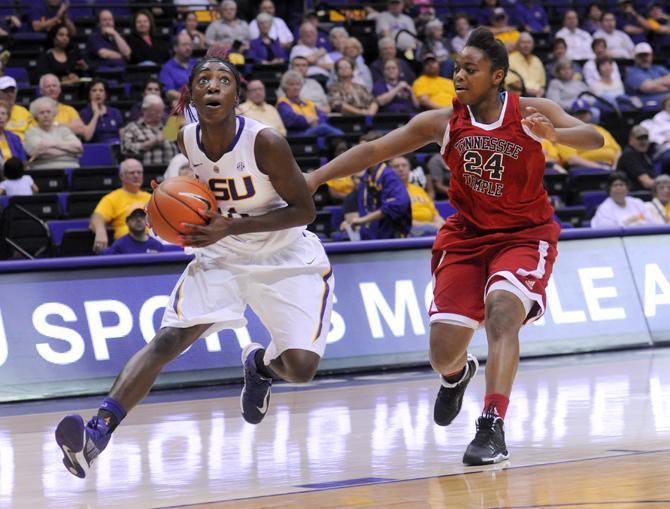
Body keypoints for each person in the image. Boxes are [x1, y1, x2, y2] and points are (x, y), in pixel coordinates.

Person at [305, 27, 604, 465]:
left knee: (503, 313)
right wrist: (314, 178)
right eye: (456, 69)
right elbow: (373, 150)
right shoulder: (441, 122)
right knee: (442, 352)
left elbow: (595, 138)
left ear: (498, 75)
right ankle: (457, 374)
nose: (459, 77)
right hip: (466, 237)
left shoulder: (531, 111)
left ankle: (492, 425)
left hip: (524, 235)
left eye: (470, 69)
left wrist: (554, 137)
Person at [55, 49, 335, 479]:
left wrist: (230, 228)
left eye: (223, 81)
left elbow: (304, 211)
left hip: (285, 255)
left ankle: (259, 366)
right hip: (221, 254)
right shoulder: (185, 137)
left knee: (301, 369)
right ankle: (96, 434)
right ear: (192, 94)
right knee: (168, 340)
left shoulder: (266, 142)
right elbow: (181, 167)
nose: (213, 87)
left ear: (236, 94)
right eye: (204, 81)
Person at [89, 159, 151, 253]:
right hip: (126, 248)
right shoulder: (112, 198)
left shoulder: (151, 198)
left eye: (139, 172)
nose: (136, 176)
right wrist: (100, 231)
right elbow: (97, 217)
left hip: (152, 245)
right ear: (121, 176)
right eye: (132, 173)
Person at [555, 98, 621, 170]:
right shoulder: (566, 133)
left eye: (584, 113)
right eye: (578, 113)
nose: (582, 116)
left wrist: (615, 166)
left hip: (610, 166)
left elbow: (618, 151)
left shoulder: (601, 130)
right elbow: (571, 159)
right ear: (572, 116)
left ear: (590, 114)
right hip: (585, 170)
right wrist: (600, 167)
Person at [277, 70, 343, 136]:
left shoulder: (307, 102)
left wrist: (315, 120)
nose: (296, 87)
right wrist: (308, 120)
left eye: (298, 84)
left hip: (314, 130)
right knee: (324, 128)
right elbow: (292, 121)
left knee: (324, 128)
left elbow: (323, 116)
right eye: (292, 85)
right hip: (297, 135)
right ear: (285, 87)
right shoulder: (283, 103)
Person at [391, 155, 444, 236]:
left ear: (409, 169)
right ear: (390, 171)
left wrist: (443, 225)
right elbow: (402, 222)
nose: (401, 169)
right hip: (409, 230)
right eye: (396, 166)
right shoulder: (391, 192)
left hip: (431, 227)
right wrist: (431, 225)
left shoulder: (419, 189)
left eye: (404, 165)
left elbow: (435, 214)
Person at [24, 97, 83, 170]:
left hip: (72, 168)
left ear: (54, 114)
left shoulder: (63, 130)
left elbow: (78, 147)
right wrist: (70, 152)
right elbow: (43, 153)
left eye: (48, 112)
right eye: (41, 112)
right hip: (46, 171)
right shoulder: (31, 132)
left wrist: (52, 144)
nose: (46, 115)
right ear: (36, 117)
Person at [121, 94, 177, 166]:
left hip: (171, 170)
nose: (159, 115)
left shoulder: (167, 127)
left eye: (161, 111)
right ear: (144, 110)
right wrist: (153, 142)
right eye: (156, 111)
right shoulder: (132, 128)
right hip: (146, 172)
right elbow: (126, 149)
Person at [79, 79, 123, 144]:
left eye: (101, 90)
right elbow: (87, 137)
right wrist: (96, 114)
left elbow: (123, 135)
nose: (98, 93)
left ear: (105, 94)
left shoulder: (115, 112)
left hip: (115, 148)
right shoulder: (84, 113)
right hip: (96, 149)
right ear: (89, 94)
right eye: (94, 90)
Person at [159, 32, 197, 103]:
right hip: (181, 104)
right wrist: (189, 99)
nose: (188, 48)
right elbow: (169, 92)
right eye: (184, 45)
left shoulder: (197, 64)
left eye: (190, 45)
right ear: (175, 48)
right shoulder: (167, 68)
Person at [615, 125, 655, 191]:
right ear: (631, 140)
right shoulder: (629, 155)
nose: (643, 142)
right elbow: (647, 183)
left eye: (645, 138)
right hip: (632, 196)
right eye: (639, 138)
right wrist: (664, 185)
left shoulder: (644, 154)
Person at [507, 32, 546, 97]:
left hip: (537, 96)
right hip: (519, 97)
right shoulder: (510, 59)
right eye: (523, 42)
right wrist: (531, 91)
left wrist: (541, 91)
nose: (526, 45)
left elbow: (542, 84)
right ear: (518, 44)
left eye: (529, 42)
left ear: (533, 45)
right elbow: (511, 83)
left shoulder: (537, 60)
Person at [642, 94, 670, 173]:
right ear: (664, 107)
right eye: (669, 105)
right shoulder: (659, 118)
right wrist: (665, 140)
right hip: (664, 150)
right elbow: (652, 135)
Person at [0, 77, 32, 142]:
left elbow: (32, 133)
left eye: (12, 91)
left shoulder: (24, 111)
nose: (9, 95)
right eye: (5, 91)